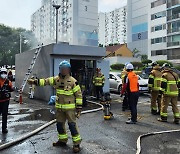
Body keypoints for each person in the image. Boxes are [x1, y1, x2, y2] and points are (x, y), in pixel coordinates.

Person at [28, 60, 83, 153]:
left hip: (70, 109)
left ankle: (76, 144)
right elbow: (45, 81)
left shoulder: (73, 81)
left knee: (72, 126)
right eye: (62, 69)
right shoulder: (56, 79)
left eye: (65, 69)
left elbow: (79, 95)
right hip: (60, 109)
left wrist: (79, 108)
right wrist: (34, 82)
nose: (63, 71)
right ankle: (62, 141)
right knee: (59, 125)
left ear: (68, 70)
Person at [0, 67, 14, 133]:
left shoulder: (9, 82)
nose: (3, 74)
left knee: (4, 115)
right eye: (2, 73)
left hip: (5, 101)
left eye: (4, 73)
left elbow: (11, 89)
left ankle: (4, 128)